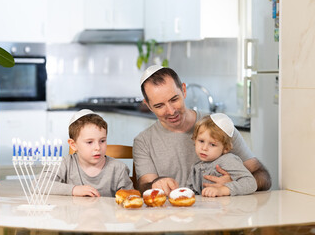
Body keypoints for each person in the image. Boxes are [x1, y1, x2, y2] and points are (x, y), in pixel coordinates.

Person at [133, 65, 271, 195]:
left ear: (184, 90)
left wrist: (233, 186)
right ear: (148, 106)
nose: (171, 111)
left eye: (174, 99)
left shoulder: (218, 126)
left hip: (221, 216)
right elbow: (145, 185)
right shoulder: (143, 142)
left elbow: (262, 176)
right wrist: (156, 184)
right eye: (159, 106)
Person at [41, 109, 133, 197]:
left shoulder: (118, 169)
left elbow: (132, 199)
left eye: (102, 141)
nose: (97, 147)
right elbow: (39, 185)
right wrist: (74, 190)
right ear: (73, 144)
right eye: (89, 142)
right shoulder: (65, 164)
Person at [186, 113, 257, 197]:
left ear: (225, 148)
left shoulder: (227, 160)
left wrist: (223, 190)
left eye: (212, 144)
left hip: (227, 208)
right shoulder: (196, 167)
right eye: (201, 141)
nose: (204, 148)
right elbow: (190, 192)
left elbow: (250, 183)